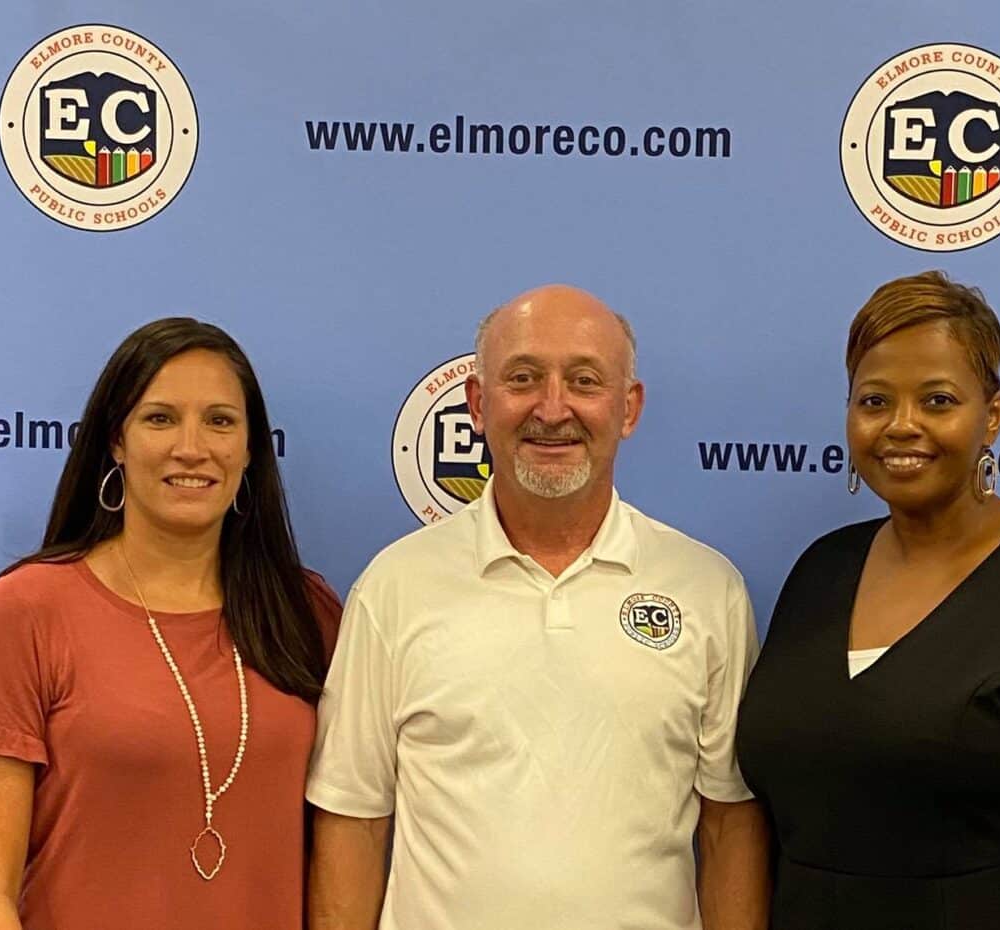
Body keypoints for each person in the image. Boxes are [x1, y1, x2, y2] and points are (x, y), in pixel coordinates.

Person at [306, 284, 769, 930]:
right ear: (477, 403)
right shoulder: (394, 587)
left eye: (585, 381)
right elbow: (353, 819)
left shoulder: (706, 589)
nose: (552, 409)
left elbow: (729, 823)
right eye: (523, 378)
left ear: (629, 408)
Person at [736, 271, 1000, 929]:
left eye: (937, 400)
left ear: (992, 415)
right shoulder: (822, 569)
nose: (901, 425)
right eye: (874, 401)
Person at [0, 319, 341, 930]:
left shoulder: (306, 611)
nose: (191, 447)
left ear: (250, 449)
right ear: (115, 442)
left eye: (220, 421)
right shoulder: (28, 609)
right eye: (160, 419)